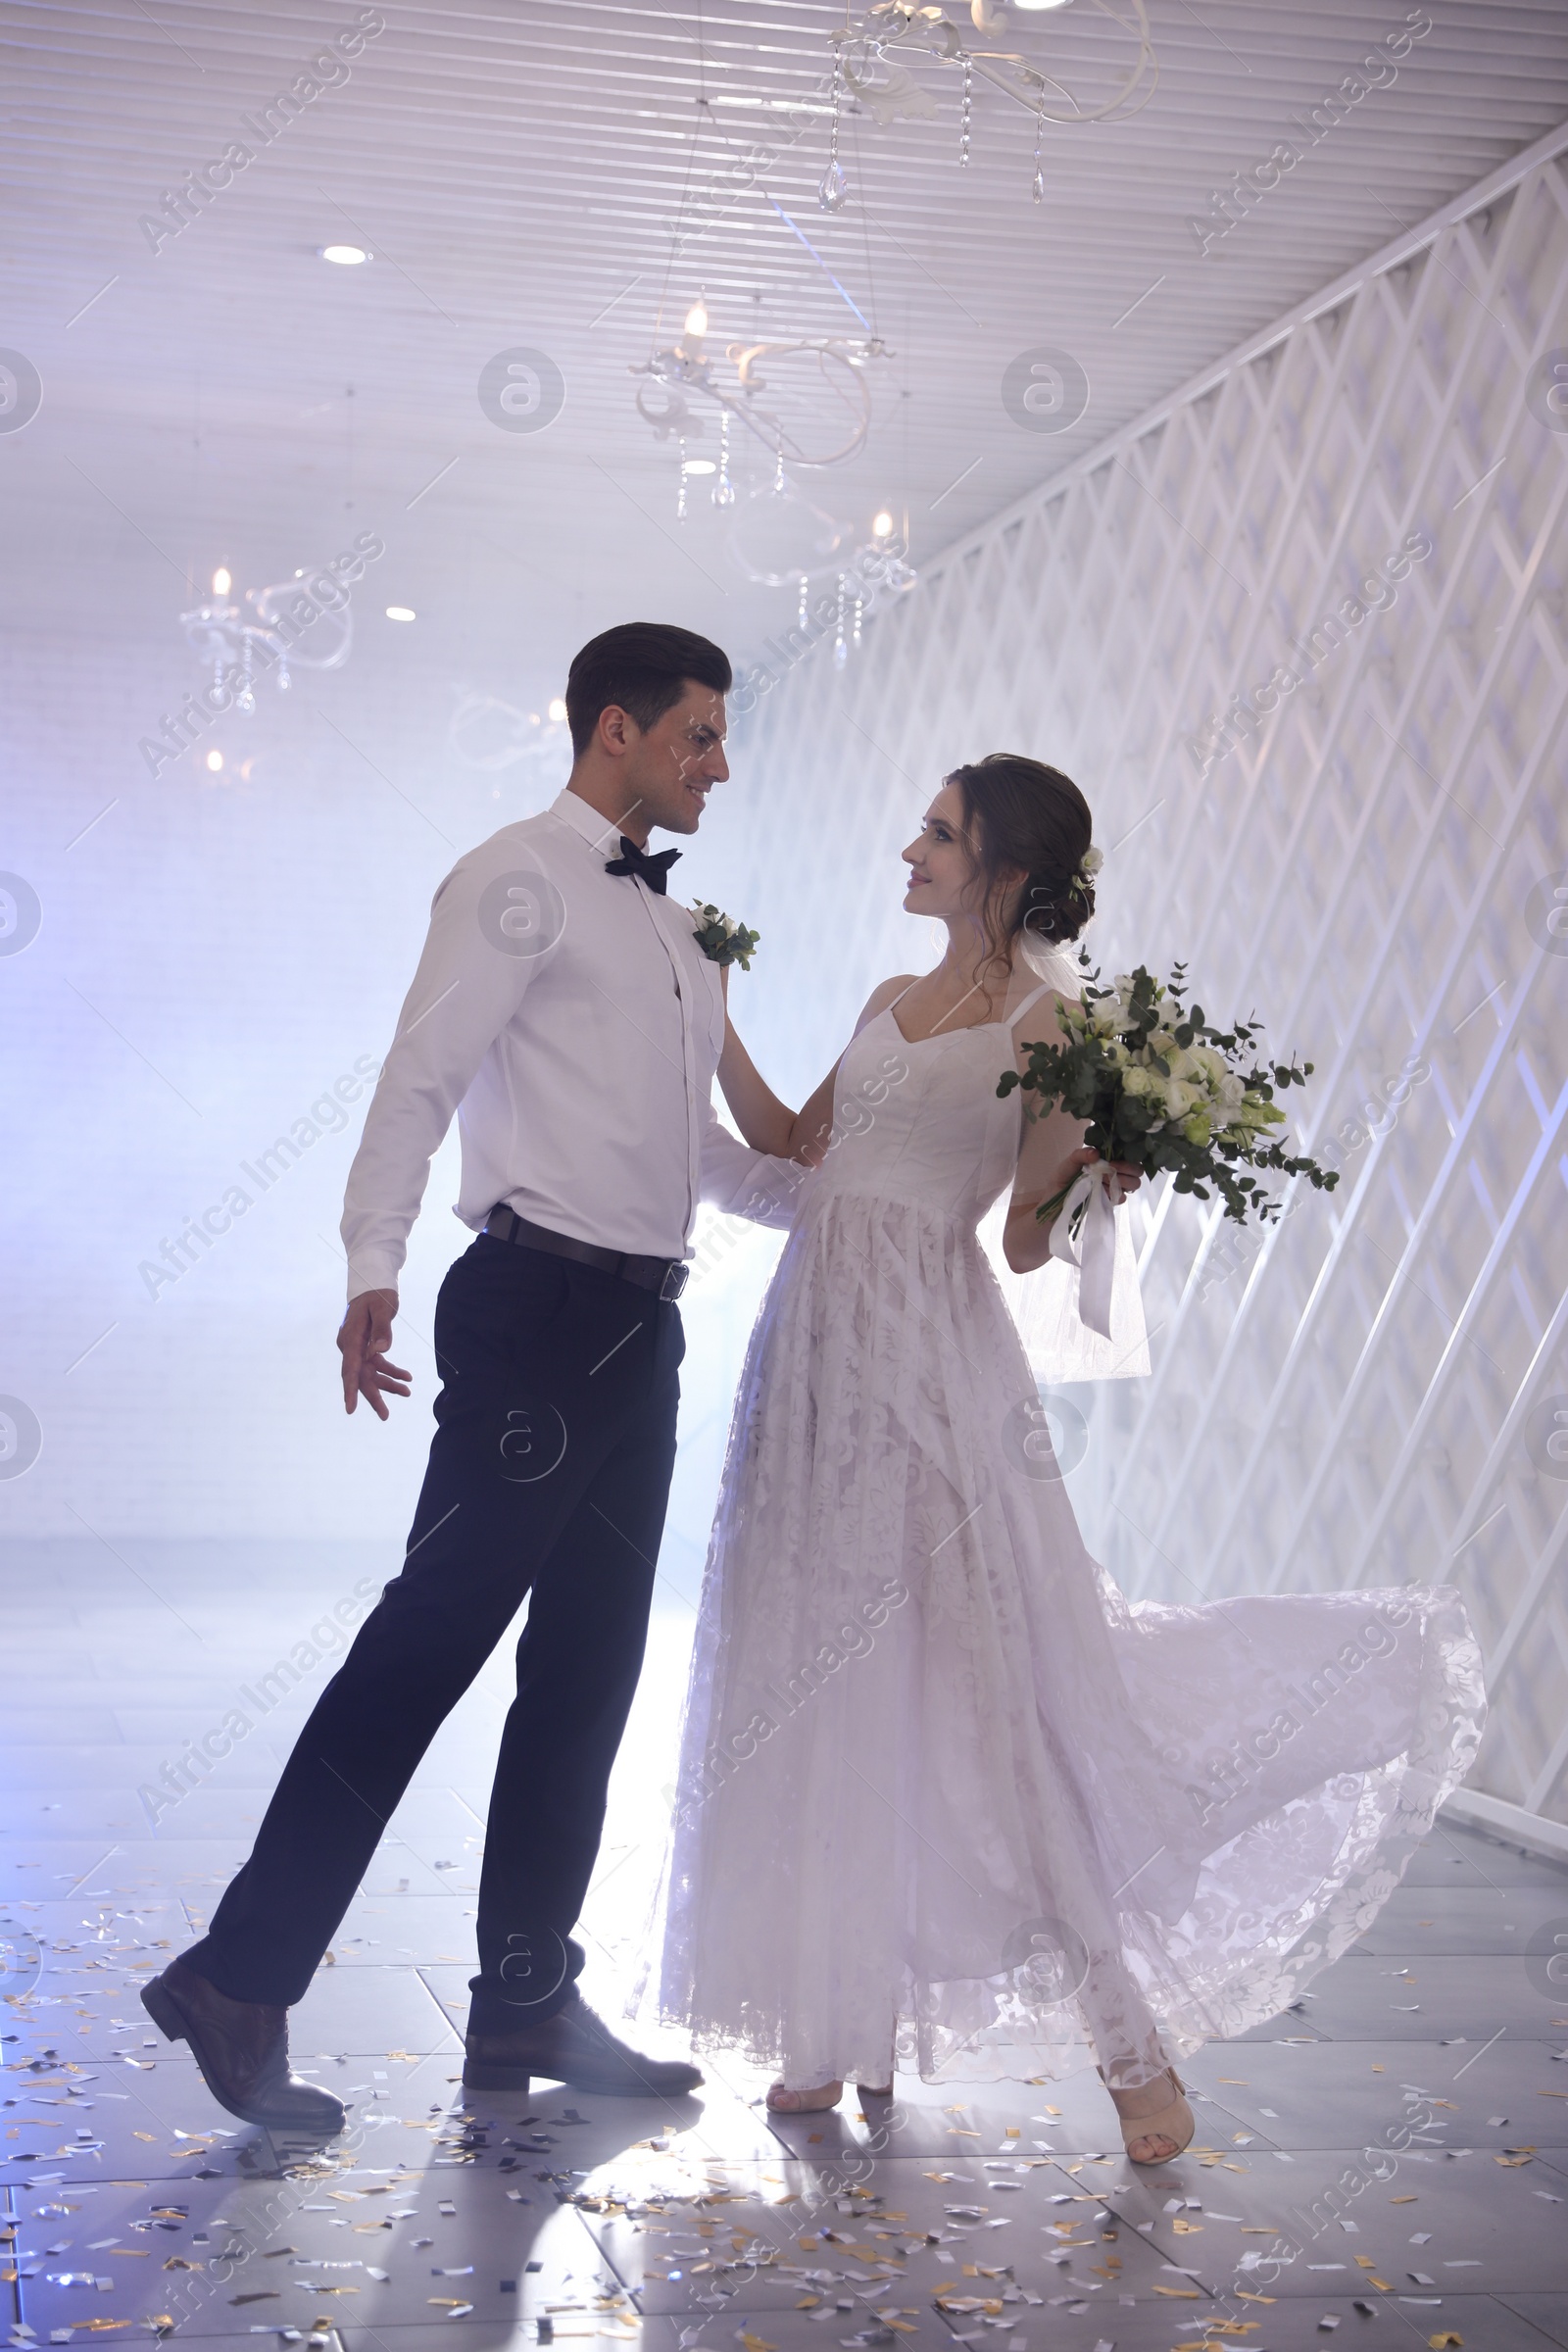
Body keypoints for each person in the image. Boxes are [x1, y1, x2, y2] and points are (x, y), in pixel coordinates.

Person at [655, 754, 1484, 2163]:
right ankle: (830, 2023)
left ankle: (1130, 2051)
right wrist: (713, 1025)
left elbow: (1027, 1237)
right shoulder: (882, 1002)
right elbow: (799, 1152)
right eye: (918, 825)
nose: (908, 848)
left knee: (994, 1697)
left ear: (1006, 868)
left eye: (938, 833)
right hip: (808, 1370)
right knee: (809, 1668)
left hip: (933, 1363)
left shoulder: (1062, 1025)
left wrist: (1104, 1167)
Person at [143, 621, 775, 2132]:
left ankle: (523, 1996)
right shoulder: (514, 876)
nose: (721, 764)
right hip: (534, 1315)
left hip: (645, 1328)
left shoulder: (685, 937)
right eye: (699, 734)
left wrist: (886, 1191)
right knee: (426, 1651)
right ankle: (243, 1976)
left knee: (589, 1678)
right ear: (614, 729)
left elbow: (695, 1153)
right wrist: (373, 1265)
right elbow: (417, 1076)